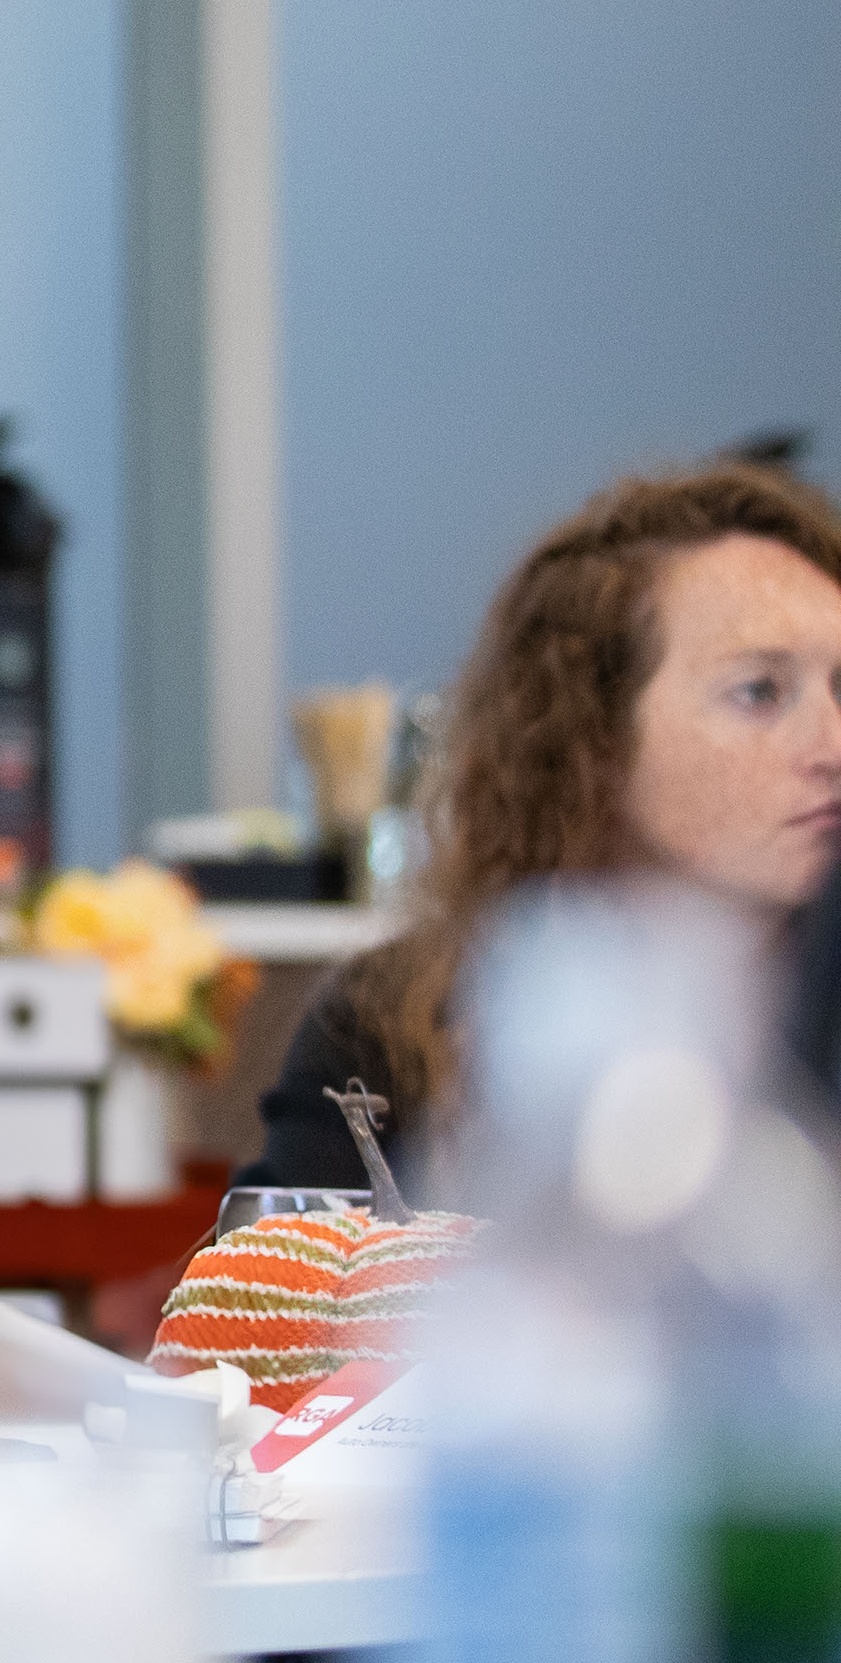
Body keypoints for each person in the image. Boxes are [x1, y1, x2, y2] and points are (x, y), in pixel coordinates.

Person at [240, 461, 841, 1203]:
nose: (832, 746)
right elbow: (268, 1302)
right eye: (759, 692)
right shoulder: (399, 1018)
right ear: (596, 737)